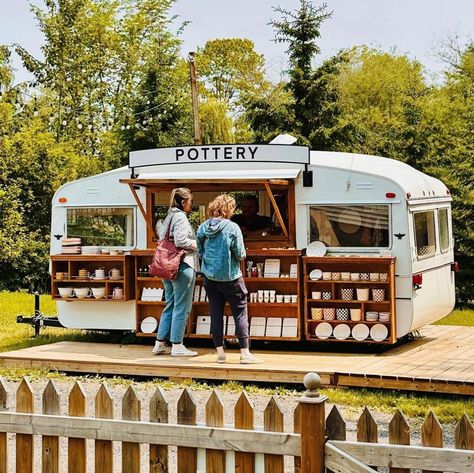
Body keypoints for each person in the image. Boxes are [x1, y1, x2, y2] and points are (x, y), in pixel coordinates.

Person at [197, 194, 261, 364]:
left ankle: (220, 353)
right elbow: (240, 255)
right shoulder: (232, 228)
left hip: (210, 278)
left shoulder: (202, 228)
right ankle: (245, 353)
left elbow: (200, 251)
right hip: (231, 278)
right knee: (240, 314)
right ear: (229, 209)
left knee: (216, 314)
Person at [152, 188, 198, 357]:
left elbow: (163, 237)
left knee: (170, 304)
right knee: (182, 306)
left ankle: (160, 343)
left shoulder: (169, 216)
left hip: (167, 267)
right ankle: (177, 345)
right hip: (182, 265)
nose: (191, 204)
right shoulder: (180, 217)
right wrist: (198, 244)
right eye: (190, 201)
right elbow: (181, 240)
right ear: (183, 202)